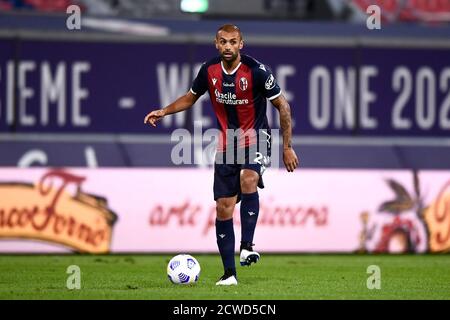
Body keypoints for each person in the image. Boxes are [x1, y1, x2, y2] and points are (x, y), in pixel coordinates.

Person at [144, 24, 299, 286]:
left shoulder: (257, 72)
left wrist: (286, 147)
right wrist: (163, 111)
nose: (228, 46)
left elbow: (283, 106)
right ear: (216, 44)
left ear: (242, 44)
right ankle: (229, 275)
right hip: (227, 144)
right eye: (223, 42)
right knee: (223, 208)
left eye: (233, 42)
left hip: (256, 138)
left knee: (248, 178)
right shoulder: (209, 70)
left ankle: (247, 246)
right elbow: (191, 98)